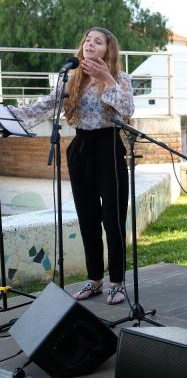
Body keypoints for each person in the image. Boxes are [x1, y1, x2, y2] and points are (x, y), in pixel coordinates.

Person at [9, 27, 134, 305]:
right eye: (87, 40)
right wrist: (9, 116)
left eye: (97, 41)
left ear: (108, 50)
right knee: (88, 219)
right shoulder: (71, 78)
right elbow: (42, 107)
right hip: (79, 149)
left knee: (112, 220)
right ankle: (94, 280)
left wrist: (106, 78)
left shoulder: (120, 78)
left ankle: (117, 282)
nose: (90, 44)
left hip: (109, 148)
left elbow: (128, 109)